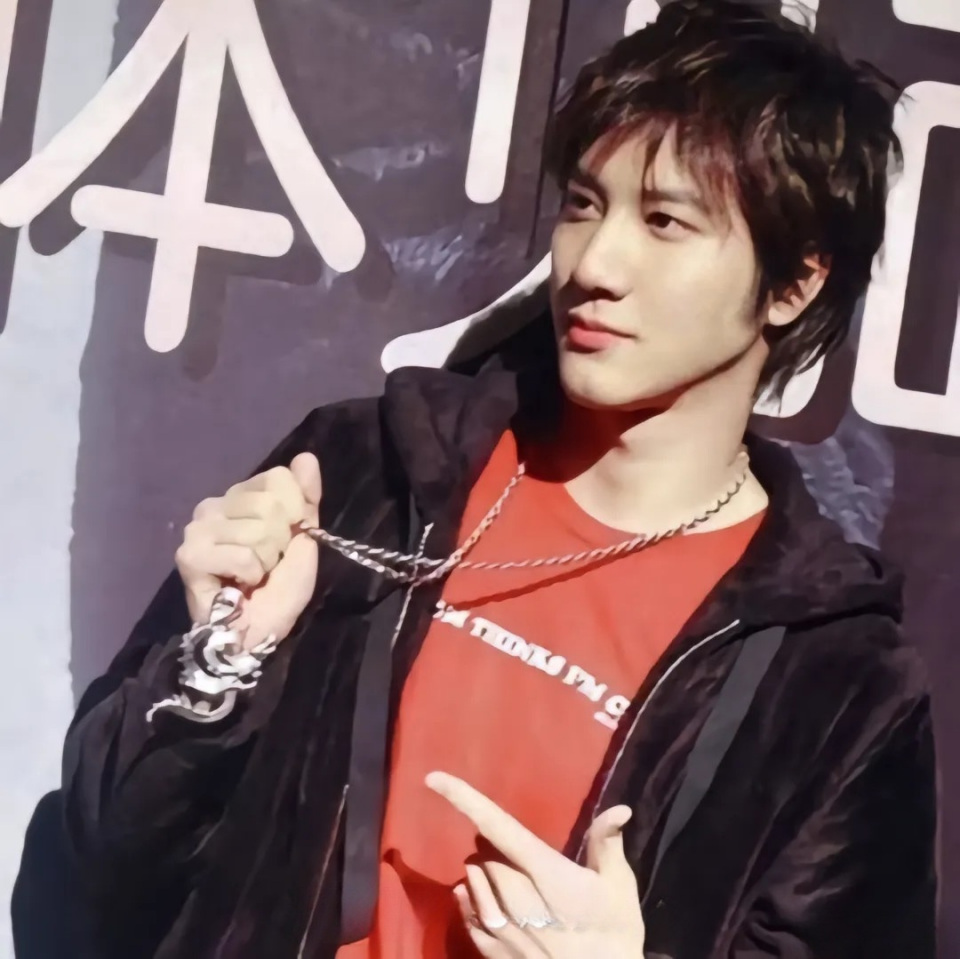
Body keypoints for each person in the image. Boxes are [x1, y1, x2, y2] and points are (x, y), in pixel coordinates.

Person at [61, 2, 937, 957]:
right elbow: (108, 847)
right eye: (584, 204)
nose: (595, 264)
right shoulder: (362, 474)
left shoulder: (838, 681)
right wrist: (222, 660)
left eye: (666, 221)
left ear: (794, 284)